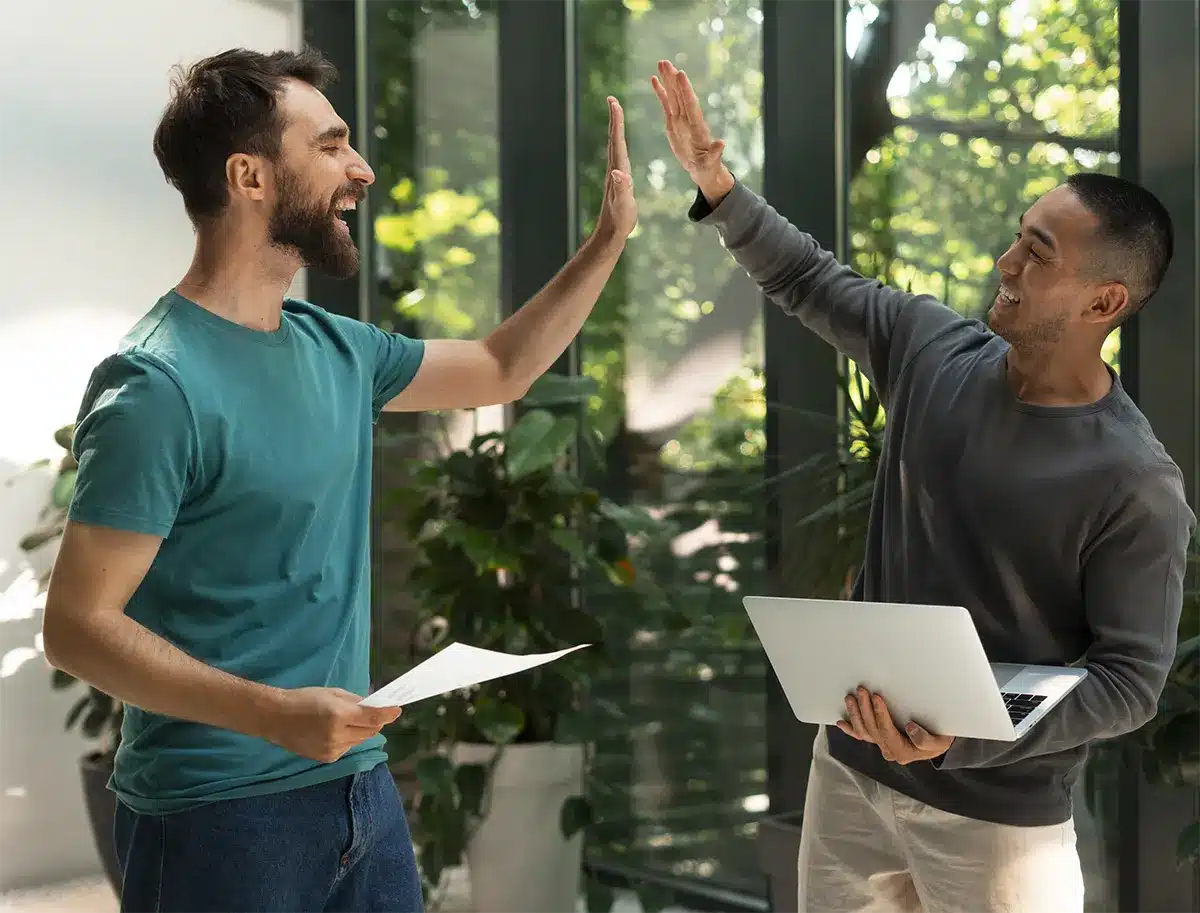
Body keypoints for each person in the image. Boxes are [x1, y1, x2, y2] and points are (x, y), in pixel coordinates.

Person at [41, 47, 636, 913]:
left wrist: (606, 243)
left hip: (359, 795)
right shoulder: (156, 386)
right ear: (249, 175)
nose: (359, 168)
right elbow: (79, 628)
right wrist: (271, 713)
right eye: (330, 144)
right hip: (218, 817)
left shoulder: (336, 347)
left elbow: (501, 367)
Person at [652, 58, 1194, 913]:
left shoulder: (1136, 480)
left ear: (1105, 301)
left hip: (999, 828)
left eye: (1038, 253)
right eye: (1020, 235)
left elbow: (1129, 682)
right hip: (848, 778)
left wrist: (967, 734)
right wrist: (715, 183)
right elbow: (803, 275)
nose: (1005, 259)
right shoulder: (931, 347)